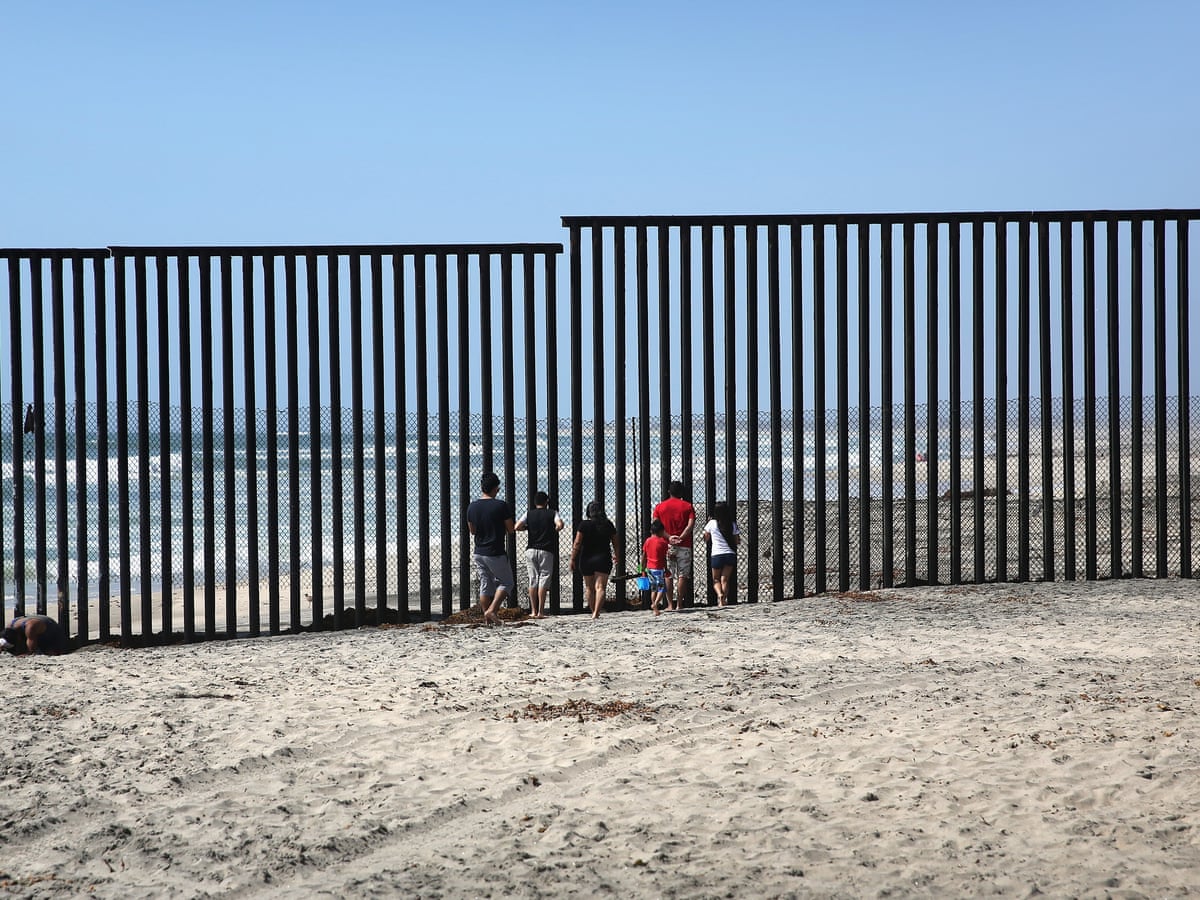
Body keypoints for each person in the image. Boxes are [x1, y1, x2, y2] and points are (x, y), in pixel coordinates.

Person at [466, 472, 516, 625]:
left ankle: (487, 618)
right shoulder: (501, 505)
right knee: (507, 582)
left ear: (482, 487)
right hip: (495, 551)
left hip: (478, 551)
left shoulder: (472, 507)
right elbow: (510, 529)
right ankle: (492, 610)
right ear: (496, 488)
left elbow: (472, 530)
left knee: (485, 584)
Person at [514, 490, 564, 619]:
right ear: (547, 501)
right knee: (544, 578)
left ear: (535, 503)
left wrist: (527, 528)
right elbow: (560, 524)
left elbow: (517, 526)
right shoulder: (552, 512)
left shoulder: (528, 514)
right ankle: (541, 611)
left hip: (530, 550)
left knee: (533, 579)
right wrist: (556, 528)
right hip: (546, 550)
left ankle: (533, 611)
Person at [569, 500, 620, 620]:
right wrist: (617, 555)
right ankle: (596, 612)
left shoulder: (584, 525)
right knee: (600, 587)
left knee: (589, 587)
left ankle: (592, 610)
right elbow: (616, 542)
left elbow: (577, 543)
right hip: (603, 557)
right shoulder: (608, 524)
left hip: (586, 558)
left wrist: (572, 558)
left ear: (588, 512)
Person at [653, 480, 696, 610]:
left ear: (669, 492)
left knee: (669, 574)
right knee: (682, 575)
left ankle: (670, 604)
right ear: (681, 492)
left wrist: (669, 537)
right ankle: (680, 604)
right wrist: (681, 537)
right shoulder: (688, 506)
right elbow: (690, 525)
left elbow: (656, 525)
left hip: (667, 545)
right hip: (684, 544)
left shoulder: (659, 507)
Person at [703, 501, 740, 607]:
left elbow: (706, 539)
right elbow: (737, 541)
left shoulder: (711, 523)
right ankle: (723, 600)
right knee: (725, 579)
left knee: (716, 579)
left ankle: (719, 594)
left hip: (716, 554)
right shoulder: (732, 524)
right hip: (729, 553)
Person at [1, 614, 69, 655]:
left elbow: (32, 652)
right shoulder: (10, 626)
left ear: (18, 637)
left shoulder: (30, 627)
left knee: (51, 653)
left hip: (52, 633)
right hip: (37, 630)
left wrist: (26, 653)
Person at [642, 519, 670, 616]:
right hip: (658, 568)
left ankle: (655, 609)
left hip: (649, 568)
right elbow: (664, 557)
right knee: (662, 589)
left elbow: (644, 556)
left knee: (654, 589)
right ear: (661, 531)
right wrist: (666, 569)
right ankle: (655, 604)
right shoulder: (663, 542)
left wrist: (641, 569)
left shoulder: (647, 541)